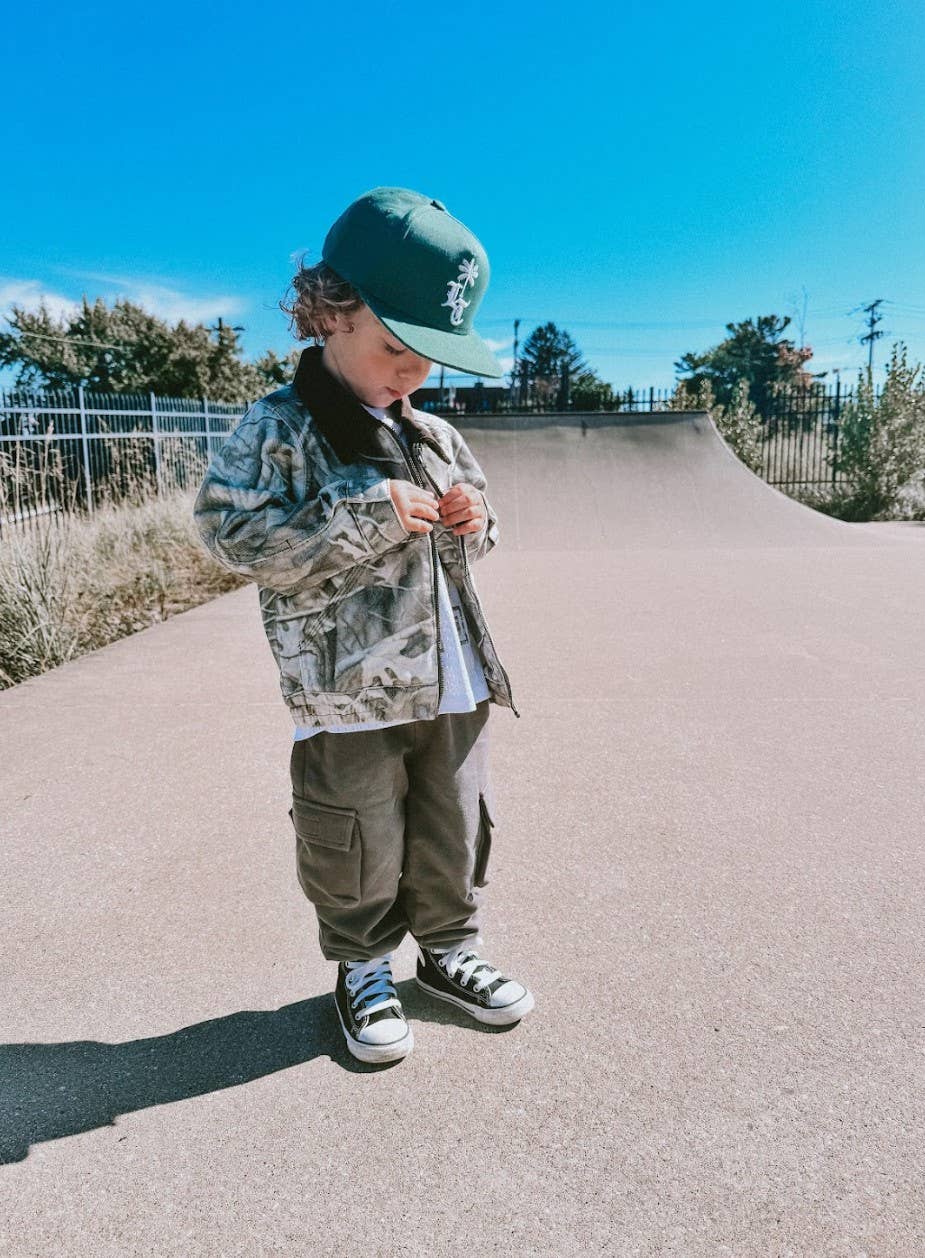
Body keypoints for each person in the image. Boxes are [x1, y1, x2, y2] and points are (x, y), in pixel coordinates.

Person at [193, 187, 534, 1064]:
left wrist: (473, 521)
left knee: (452, 823)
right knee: (356, 834)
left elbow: (483, 530)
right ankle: (362, 967)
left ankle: (451, 951)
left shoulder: (435, 432)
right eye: (395, 347)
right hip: (346, 694)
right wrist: (356, 511)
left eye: (430, 358)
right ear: (330, 309)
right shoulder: (278, 425)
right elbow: (228, 535)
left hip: (450, 678)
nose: (412, 372)